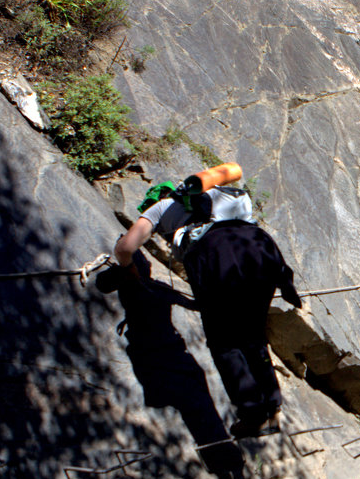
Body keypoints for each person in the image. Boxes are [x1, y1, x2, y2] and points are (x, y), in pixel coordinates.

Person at [112, 181, 302, 438]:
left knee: (225, 344)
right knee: (254, 335)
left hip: (219, 255)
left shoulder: (160, 207)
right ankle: (272, 407)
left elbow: (125, 248)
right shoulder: (218, 204)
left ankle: (253, 416)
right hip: (260, 248)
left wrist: (128, 268)